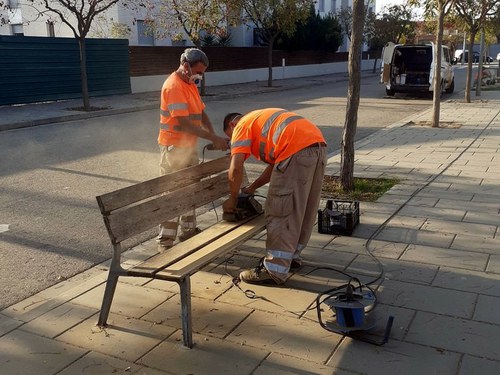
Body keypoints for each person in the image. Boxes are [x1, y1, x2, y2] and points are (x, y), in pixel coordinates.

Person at [222, 108, 327, 285]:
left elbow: (235, 169)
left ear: (232, 125)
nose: (233, 142)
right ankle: (291, 257)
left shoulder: (241, 126)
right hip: (317, 146)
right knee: (303, 206)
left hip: (296, 150)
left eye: (230, 137)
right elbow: (276, 167)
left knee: (281, 208)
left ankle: (274, 269)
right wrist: (251, 189)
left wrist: (232, 199)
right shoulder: (261, 121)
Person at [157, 48, 229, 252]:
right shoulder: (174, 86)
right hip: (174, 149)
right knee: (173, 192)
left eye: (203, 72)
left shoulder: (190, 84)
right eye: (198, 71)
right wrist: (213, 138)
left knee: (191, 188)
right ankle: (165, 241)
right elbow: (184, 124)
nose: (200, 76)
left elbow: (201, 112)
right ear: (186, 66)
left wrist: (213, 134)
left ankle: (188, 231)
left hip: (189, 147)